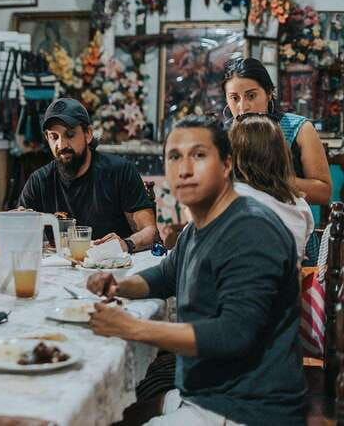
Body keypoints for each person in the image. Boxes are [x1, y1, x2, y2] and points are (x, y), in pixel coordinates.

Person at [87, 116, 305, 425]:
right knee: (111, 411)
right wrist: (118, 286)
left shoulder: (251, 229)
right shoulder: (198, 227)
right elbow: (166, 275)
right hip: (206, 393)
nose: (184, 169)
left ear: (227, 164)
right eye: (174, 157)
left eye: (199, 155)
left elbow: (234, 332)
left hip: (245, 409)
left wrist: (131, 328)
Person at [222, 57, 329, 264]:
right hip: (239, 238)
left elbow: (323, 192)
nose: (243, 107)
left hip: (294, 243)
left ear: (269, 92)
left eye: (251, 95)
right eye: (234, 98)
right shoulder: (222, 137)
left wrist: (265, 180)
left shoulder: (298, 128)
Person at [18, 97, 157, 252]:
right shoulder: (39, 181)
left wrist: (126, 244)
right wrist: (15, 222)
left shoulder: (119, 171)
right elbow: (19, 235)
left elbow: (149, 231)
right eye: (54, 137)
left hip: (114, 269)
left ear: (88, 134)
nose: (61, 145)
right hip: (59, 271)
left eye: (70, 134)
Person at [228, 113, 314, 261]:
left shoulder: (228, 199)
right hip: (288, 283)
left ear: (236, 158)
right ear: (282, 154)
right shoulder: (301, 206)